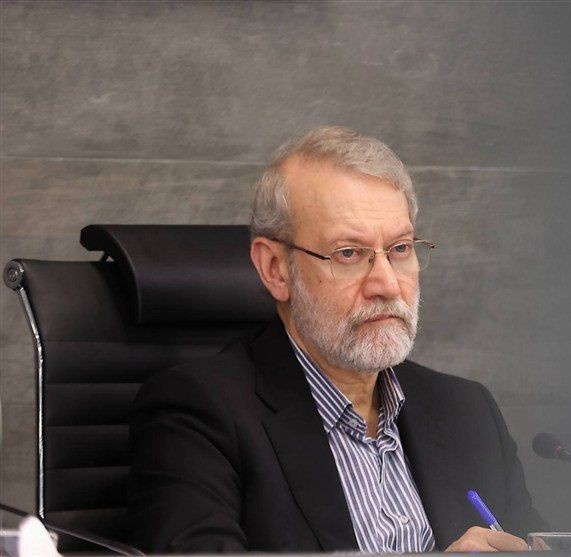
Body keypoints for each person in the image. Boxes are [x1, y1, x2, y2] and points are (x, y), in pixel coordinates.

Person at [127, 126, 548, 553]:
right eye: (349, 253)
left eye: (401, 249)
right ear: (275, 269)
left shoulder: (467, 412)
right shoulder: (197, 413)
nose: (387, 284)